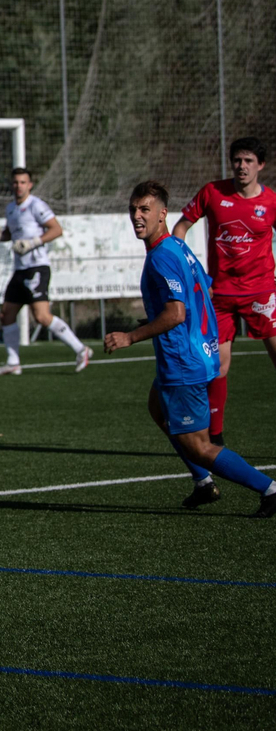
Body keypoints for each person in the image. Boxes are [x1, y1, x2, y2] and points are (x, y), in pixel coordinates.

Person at [104, 180, 276, 516]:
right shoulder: (178, 248)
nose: (137, 216)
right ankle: (203, 484)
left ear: (162, 214)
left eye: (145, 210)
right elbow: (204, 292)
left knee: (200, 446)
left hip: (183, 361)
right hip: (196, 353)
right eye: (133, 209)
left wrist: (130, 337)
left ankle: (268, 488)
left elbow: (177, 313)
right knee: (158, 409)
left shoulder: (161, 258)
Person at [171, 136, 276, 451]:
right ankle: (215, 437)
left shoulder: (270, 201)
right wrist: (187, 268)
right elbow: (180, 229)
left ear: (261, 166)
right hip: (219, 295)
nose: (241, 167)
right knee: (218, 366)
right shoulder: (212, 192)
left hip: (261, 293)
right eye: (237, 160)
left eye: (248, 161)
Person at [0, 167, 91, 375]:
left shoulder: (36, 205)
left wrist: (33, 243)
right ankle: (13, 362)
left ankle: (81, 350)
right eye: (16, 182)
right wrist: (1, 236)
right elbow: (13, 232)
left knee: (42, 317)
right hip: (20, 268)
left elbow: (56, 229)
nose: (19, 186)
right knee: (6, 314)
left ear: (30, 185)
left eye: (23, 182)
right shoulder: (11, 208)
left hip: (36, 267)